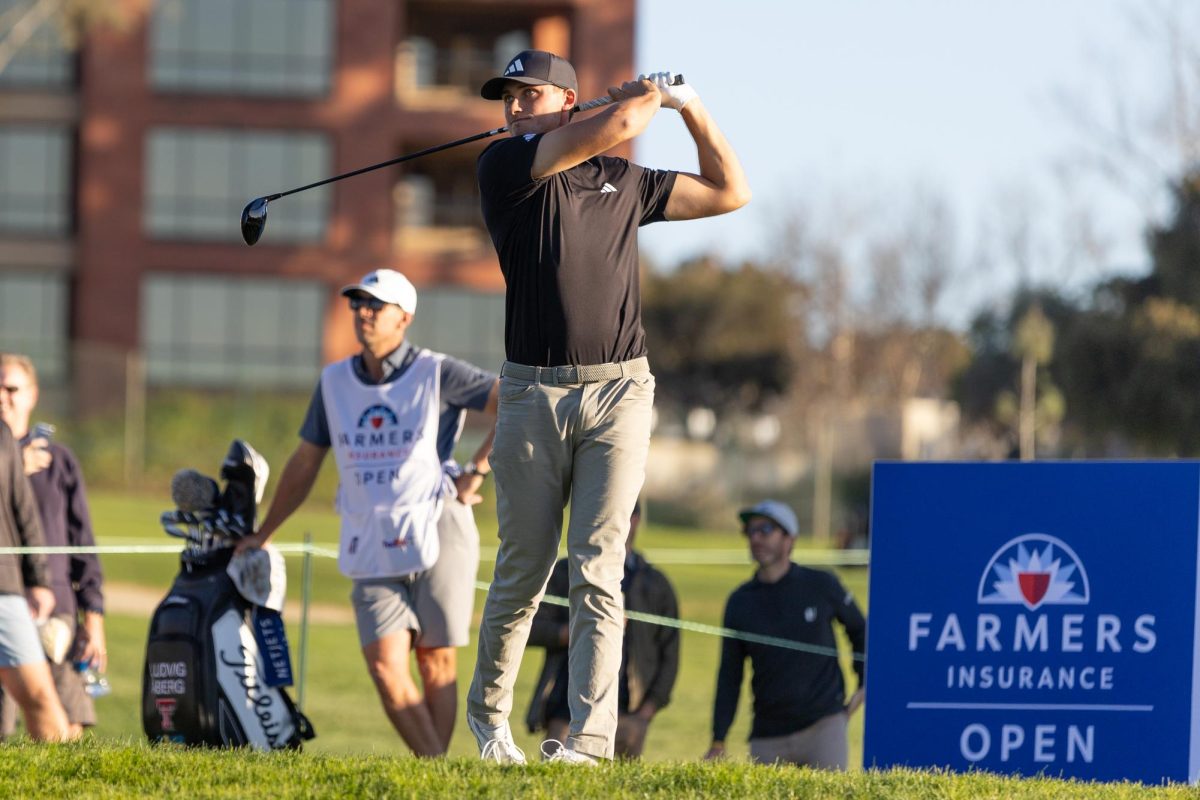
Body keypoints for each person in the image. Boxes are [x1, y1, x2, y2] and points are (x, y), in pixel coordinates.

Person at [466, 50, 749, 765]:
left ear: (563, 99)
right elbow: (617, 122)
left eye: (529, 95)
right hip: (533, 394)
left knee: (599, 566)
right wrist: (648, 94)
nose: (513, 107)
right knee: (524, 574)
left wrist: (694, 110)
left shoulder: (626, 183)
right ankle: (490, 720)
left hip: (622, 390)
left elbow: (730, 192)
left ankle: (590, 740)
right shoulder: (506, 165)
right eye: (508, 96)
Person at [236, 268, 499, 757]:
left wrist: (476, 472)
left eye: (374, 306)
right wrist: (266, 531)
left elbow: (515, 399)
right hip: (367, 536)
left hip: (439, 526)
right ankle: (438, 770)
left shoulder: (436, 370)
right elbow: (305, 461)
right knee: (384, 663)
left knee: (436, 660)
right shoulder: (334, 381)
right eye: (358, 304)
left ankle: (432, 784)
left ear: (405, 317)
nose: (363, 313)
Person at [704, 500, 866, 769]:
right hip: (768, 737)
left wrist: (864, 680)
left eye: (765, 530)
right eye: (750, 531)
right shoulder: (740, 601)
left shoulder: (821, 584)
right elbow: (729, 675)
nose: (756, 538)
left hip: (824, 727)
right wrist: (718, 739)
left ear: (790, 539)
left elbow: (860, 629)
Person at [0, 354, 106, 740]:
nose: (3, 397)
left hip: (53, 609)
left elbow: (83, 544)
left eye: (12, 388)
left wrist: (92, 618)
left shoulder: (59, 462)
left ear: (32, 395)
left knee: (65, 722)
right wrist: (11, 468)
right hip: (6, 598)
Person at [525, 501, 679, 759]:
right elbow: (527, 628)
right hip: (565, 715)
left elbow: (670, 655)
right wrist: (584, 629)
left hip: (628, 717)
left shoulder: (656, 585)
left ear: (636, 519)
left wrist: (645, 714)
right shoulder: (563, 573)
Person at [0, 417, 69, 742]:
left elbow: (22, 507)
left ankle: (64, 787)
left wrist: (38, 578)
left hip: (3, 585)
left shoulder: (3, 434)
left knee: (40, 697)